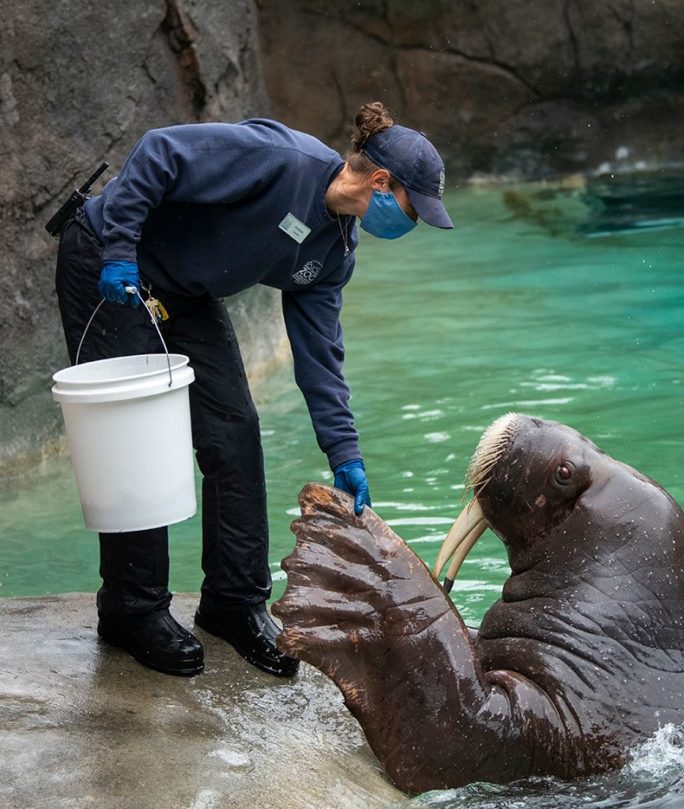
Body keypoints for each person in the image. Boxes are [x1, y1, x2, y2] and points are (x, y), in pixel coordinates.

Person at [54, 101, 454, 679]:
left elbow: (321, 356)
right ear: (382, 182)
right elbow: (159, 151)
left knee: (234, 432)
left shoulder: (335, 248)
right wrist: (117, 249)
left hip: (184, 289)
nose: (412, 224)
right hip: (109, 257)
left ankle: (233, 602)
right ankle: (131, 609)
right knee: (132, 439)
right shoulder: (280, 160)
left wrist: (344, 452)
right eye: (415, 210)